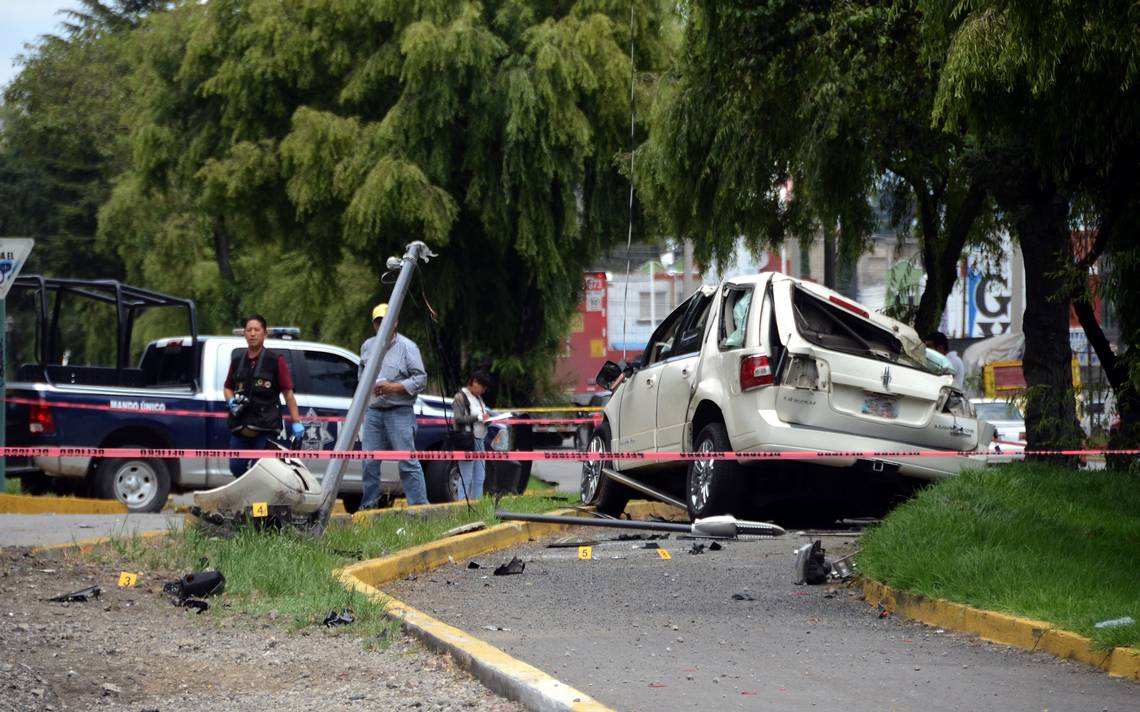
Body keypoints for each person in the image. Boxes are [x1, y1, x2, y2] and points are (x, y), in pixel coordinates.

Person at [359, 302, 428, 508]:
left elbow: (421, 379)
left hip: (400, 411)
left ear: (395, 322)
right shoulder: (367, 346)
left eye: (386, 320)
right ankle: (368, 508)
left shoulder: (408, 347)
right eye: (378, 321)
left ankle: (419, 507)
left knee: (407, 461)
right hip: (374, 411)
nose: (382, 325)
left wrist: (394, 387)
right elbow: (361, 374)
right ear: (374, 325)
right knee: (369, 462)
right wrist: (367, 385)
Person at [223, 315, 304, 477]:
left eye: (257, 330)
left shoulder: (275, 360)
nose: (252, 334)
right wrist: (231, 400)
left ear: (264, 333)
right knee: (236, 467)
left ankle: (258, 501)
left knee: (261, 471)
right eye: (249, 330)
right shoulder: (237, 360)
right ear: (244, 334)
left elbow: (288, 393)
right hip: (240, 427)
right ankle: (249, 497)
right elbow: (227, 387)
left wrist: (297, 423)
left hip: (265, 427)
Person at [452, 370, 493, 499]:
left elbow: (481, 418)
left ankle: (478, 504)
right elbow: (458, 419)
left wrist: (487, 420)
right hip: (467, 441)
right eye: (482, 387)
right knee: (466, 477)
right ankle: (462, 506)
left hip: (480, 440)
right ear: (474, 382)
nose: (484, 391)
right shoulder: (460, 397)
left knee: (480, 477)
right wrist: (477, 417)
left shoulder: (479, 399)